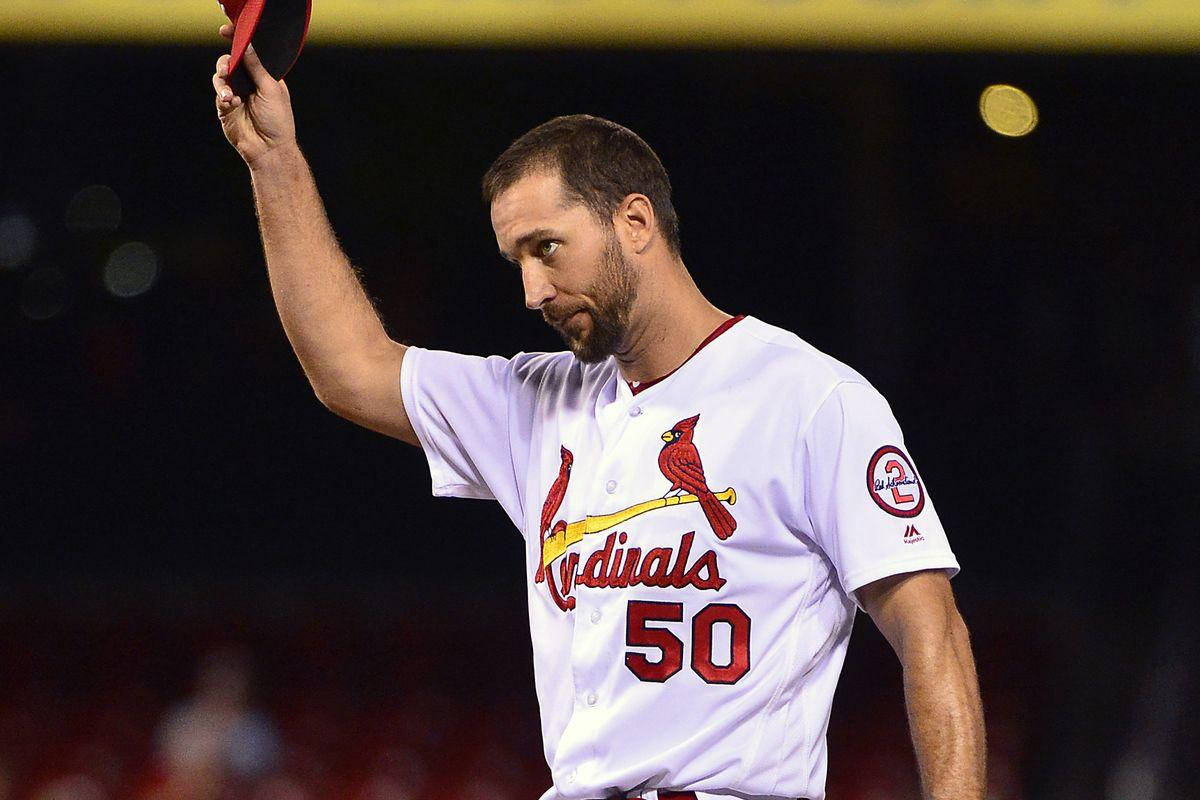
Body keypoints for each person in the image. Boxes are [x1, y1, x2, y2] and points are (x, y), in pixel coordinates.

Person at [211, 30, 986, 800]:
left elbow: (932, 632)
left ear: (636, 222)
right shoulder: (537, 402)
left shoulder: (812, 400)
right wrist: (272, 159)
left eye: (548, 247)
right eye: (516, 259)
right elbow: (350, 368)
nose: (532, 291)